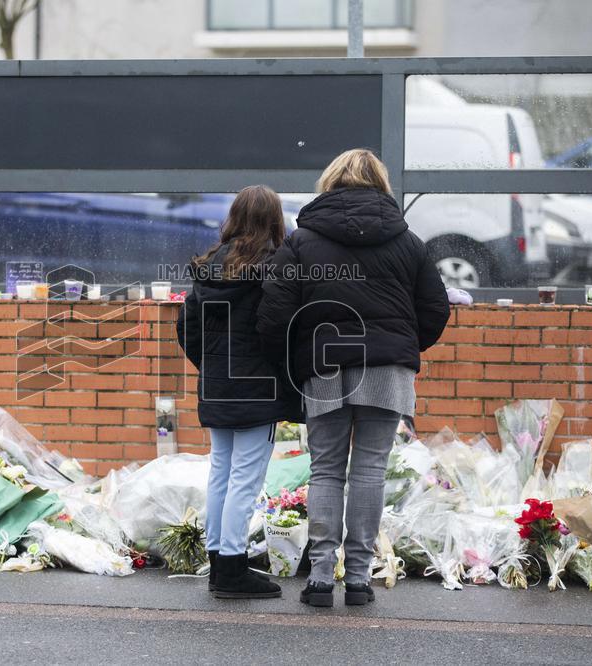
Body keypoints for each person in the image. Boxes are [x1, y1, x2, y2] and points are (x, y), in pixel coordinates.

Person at [256, 149, 450, 607]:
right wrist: (402, 346)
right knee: (370, 470)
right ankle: (359, 579)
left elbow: (274, 312)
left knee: (325, 469)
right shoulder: (408, 241)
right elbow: (436, 309)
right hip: (387, 368)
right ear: (380, 183)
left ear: (330, 181)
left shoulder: (304, 241)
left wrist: (293, 359)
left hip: (323, 366)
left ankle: (321, 578)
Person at [177, 185, 303, 599]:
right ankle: (231, 569)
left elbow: (187, 330)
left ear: (234, 218)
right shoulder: (272, 269)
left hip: (217, 386)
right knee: (245, 480)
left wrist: (213, 369)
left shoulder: (208, 266)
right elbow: (276, 330)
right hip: (257, 390)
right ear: (273, 220)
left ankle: (219, 561)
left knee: (221, 474)